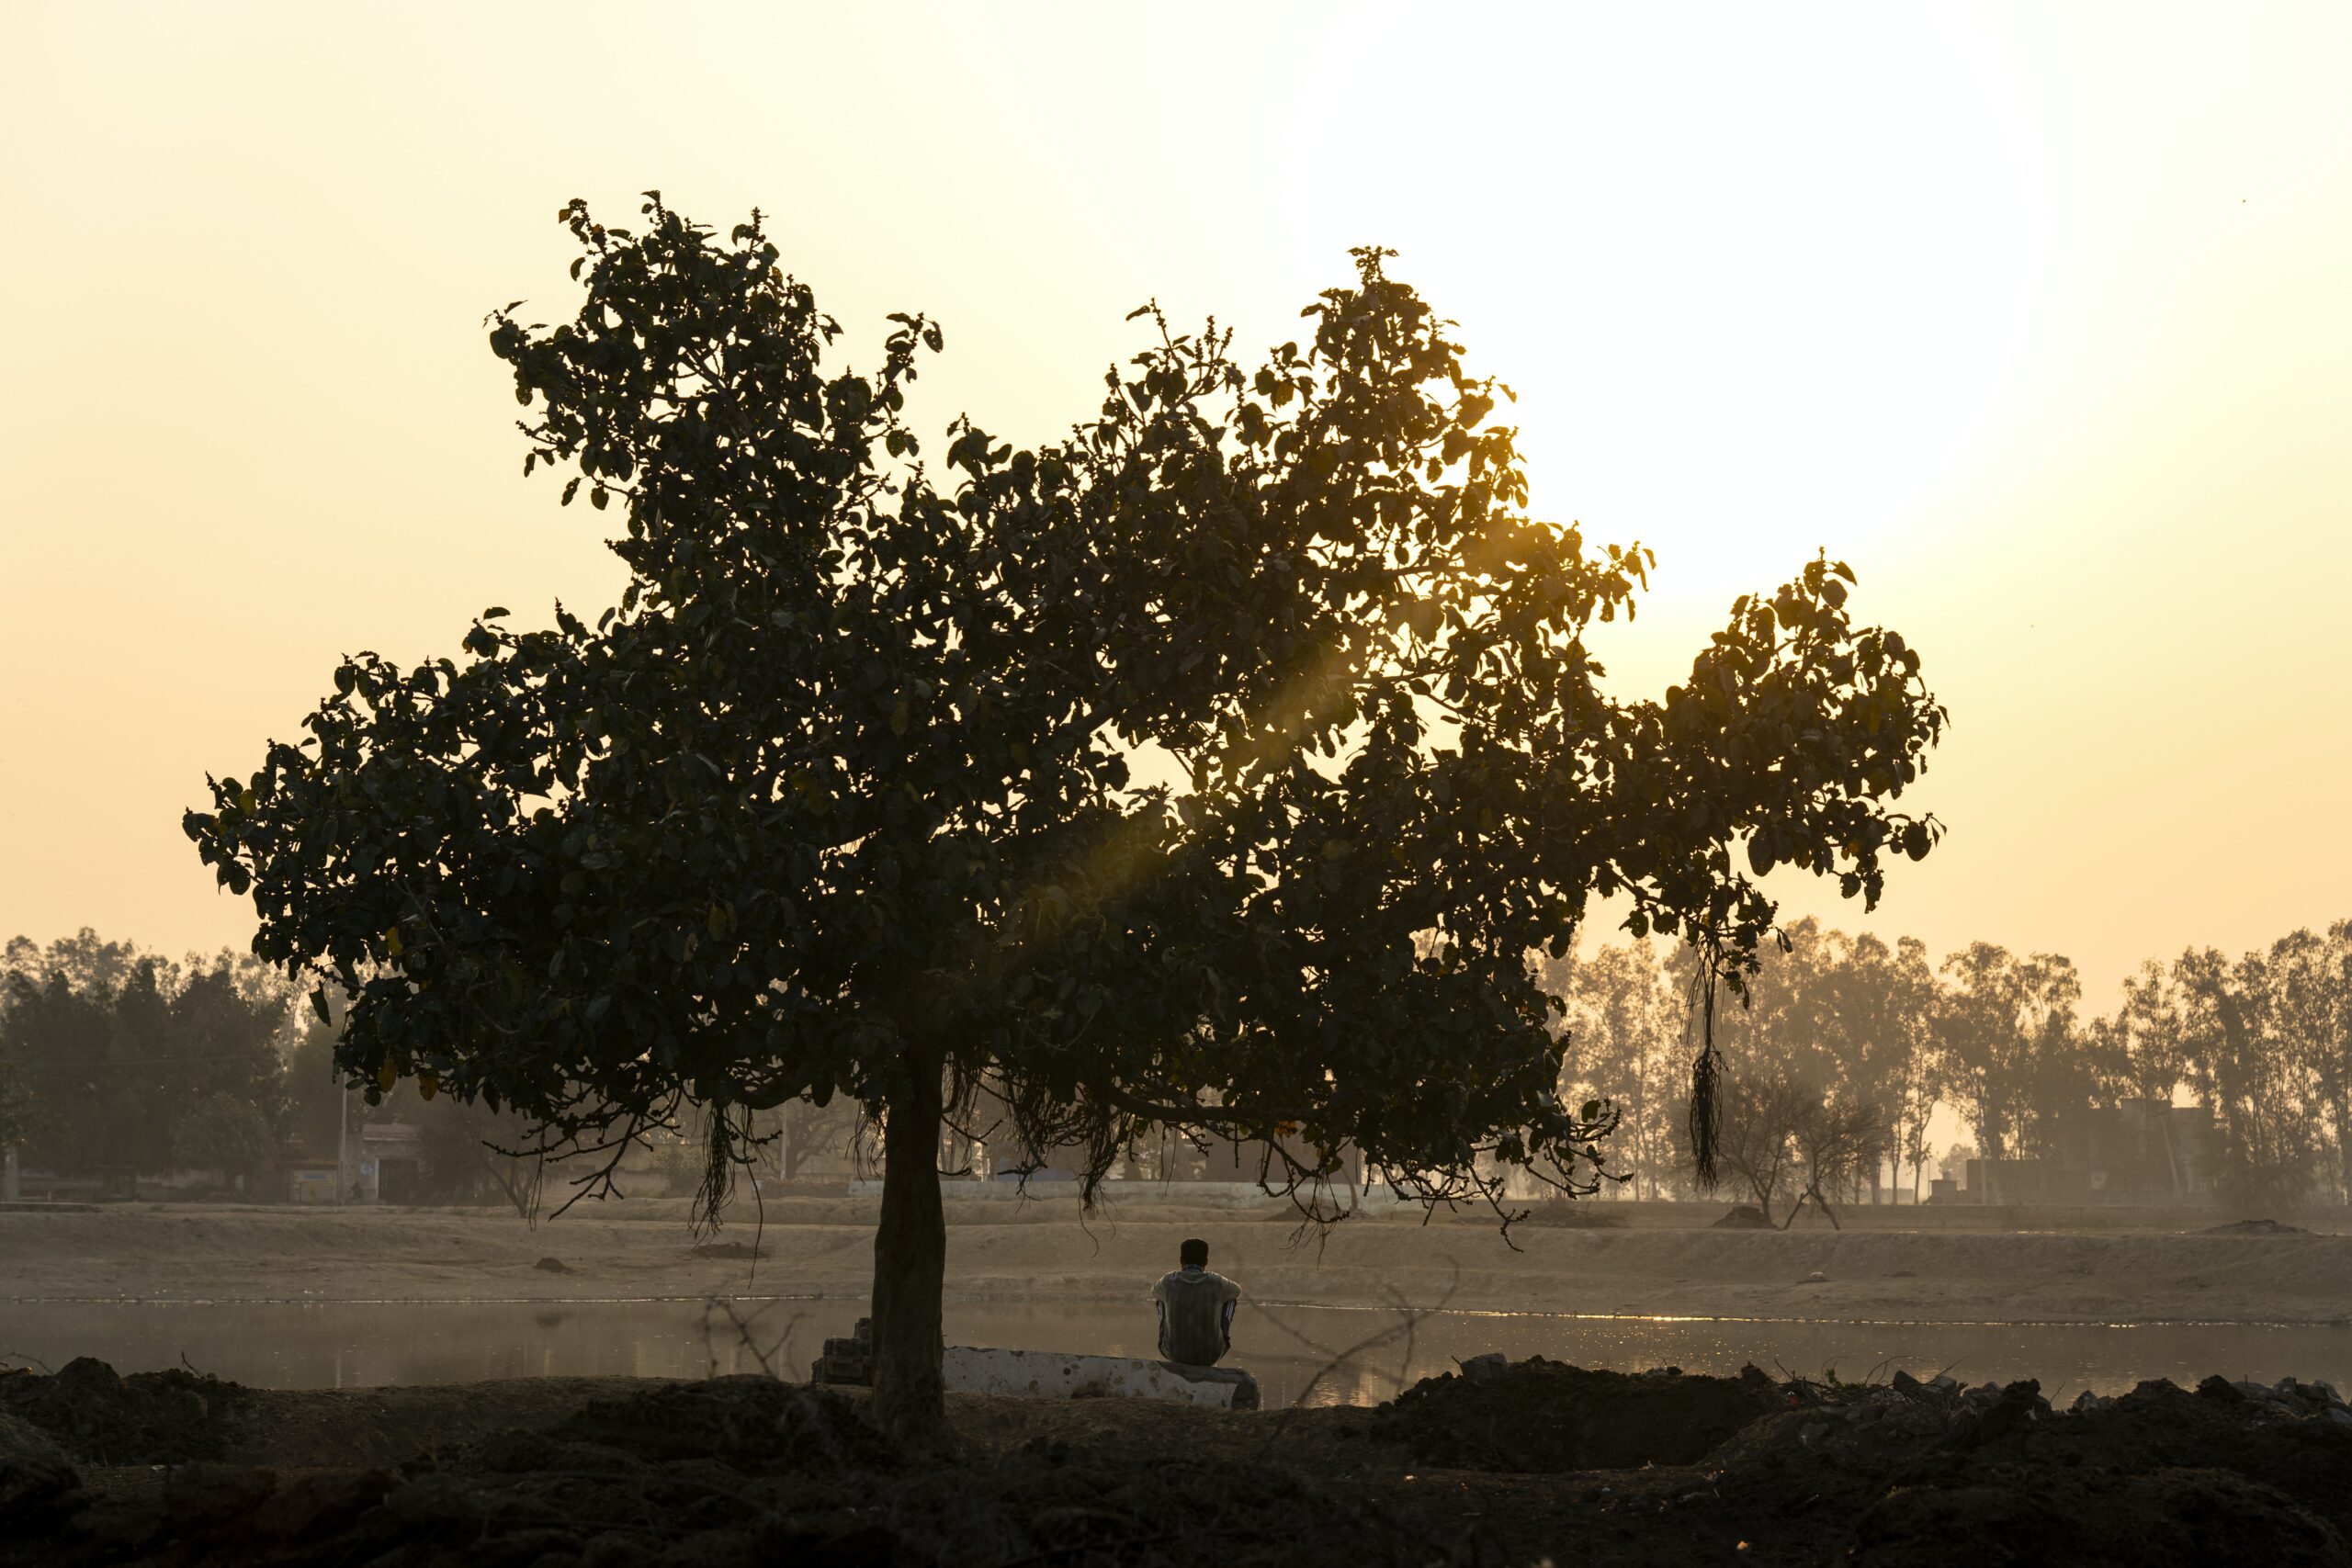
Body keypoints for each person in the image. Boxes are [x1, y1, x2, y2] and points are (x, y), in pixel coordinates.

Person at [1151, 1237, 1241, 1367]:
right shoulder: (1217, 1281)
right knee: (1230, 1299)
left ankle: (1169, 1338)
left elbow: (1153, 1291)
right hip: (1211, 1355)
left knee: (1161, 1299)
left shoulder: (1168, 1280)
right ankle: (1222, 1338)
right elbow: (1237, 1290)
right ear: (1206, 1261)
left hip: (1173, 1353)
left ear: (1181, 1260)